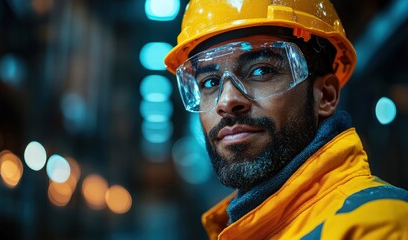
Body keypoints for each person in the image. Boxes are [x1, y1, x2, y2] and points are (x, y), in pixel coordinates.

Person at [164, 0, 408, 239]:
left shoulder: (379, 225)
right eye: (209, 82)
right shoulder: (242, 228)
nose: (226, 101)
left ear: (326, 95)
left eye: (261, 70)